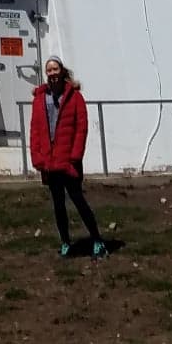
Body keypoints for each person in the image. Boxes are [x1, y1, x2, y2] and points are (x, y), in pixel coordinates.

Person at [28, 57, 111, 258]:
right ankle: (65, 242)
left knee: (78, 200)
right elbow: (35, 129)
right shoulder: (39, 99)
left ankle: (97, 239)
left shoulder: (75, 98)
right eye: (49, 70)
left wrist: (75, 155)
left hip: (69, 161)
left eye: (55, 69)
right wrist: (37, 156)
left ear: (62, 71)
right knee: (58, 205)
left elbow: (81, 128)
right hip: (50, 162)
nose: (52, 73)